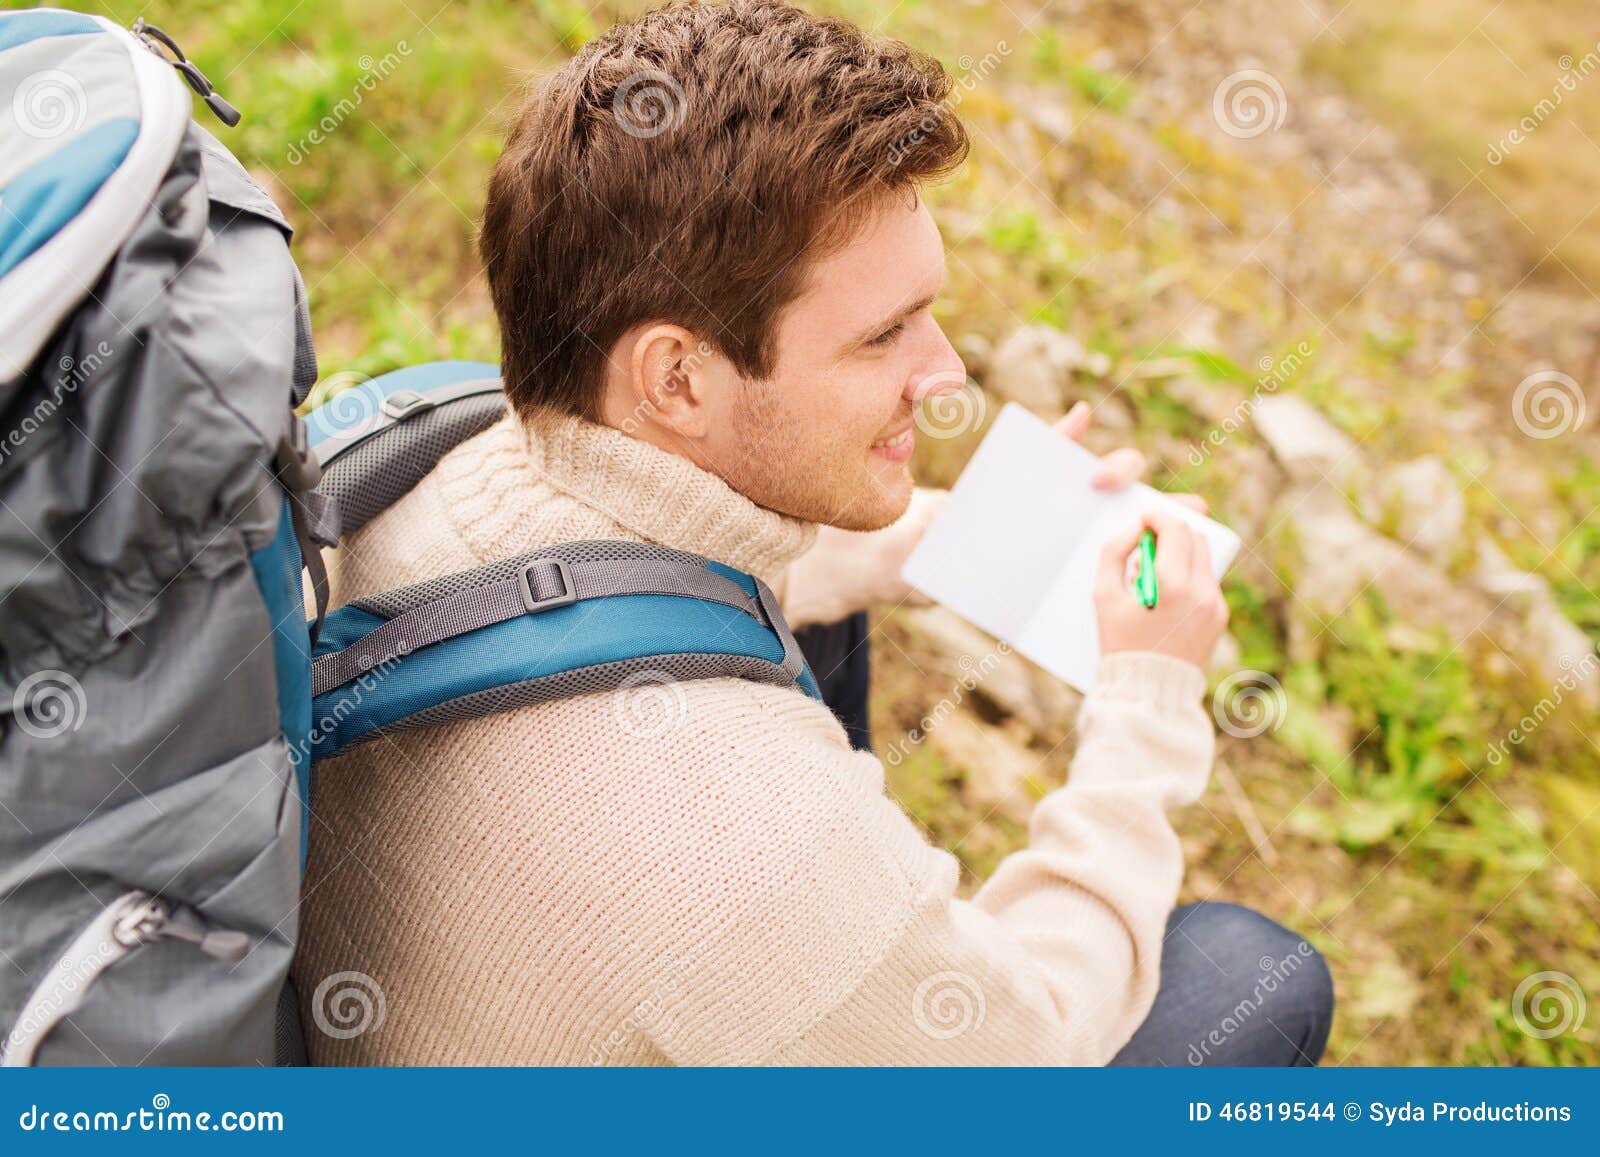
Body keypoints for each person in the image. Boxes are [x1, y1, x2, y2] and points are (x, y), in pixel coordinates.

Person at [295, 0, 1333, 1065]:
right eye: (883, 334)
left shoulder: (419, 467)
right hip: (744, 934)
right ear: (677, 376)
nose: (946, 375)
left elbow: (609, 593)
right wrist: (1144, 705)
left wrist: (984, 541)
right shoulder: (754, 849)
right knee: (1250, 968)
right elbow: (1037, 1047)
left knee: (807, 611)